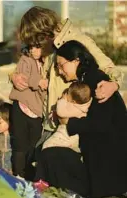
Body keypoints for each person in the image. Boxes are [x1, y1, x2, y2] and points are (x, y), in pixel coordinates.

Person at [10, 6, 123, 148]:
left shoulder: (78, 42)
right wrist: (13, 76)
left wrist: (114, 84)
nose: (35, 46)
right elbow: (25, 67)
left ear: (43, 32)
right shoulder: (48, 47)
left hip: (70, 125)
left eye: (36, 42)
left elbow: (110, 68)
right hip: (49, 124)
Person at [56, 40, 127, 198]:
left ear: (76, 61)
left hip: (108, 159)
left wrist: (68, 123)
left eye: (61, 65)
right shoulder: (87, 79)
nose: (59, 71)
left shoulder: (96, 81)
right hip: (104, 157)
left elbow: (101, 123)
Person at [35, 82, 92, 197]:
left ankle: (38, 185)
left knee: (45, 150)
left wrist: (62, 100)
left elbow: (60, 111)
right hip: (73, 143)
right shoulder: (85, 107)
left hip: (60, 141)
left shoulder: (71, 108)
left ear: (73, 101)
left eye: (67, 96)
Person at [9, 43, 48, 179]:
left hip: (37, 110)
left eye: (37, 47)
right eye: (31, 47)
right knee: (20, 144)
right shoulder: (26, 59)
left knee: (34, 145)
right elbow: (22, 77)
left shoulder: (48, 62)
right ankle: (18, 175)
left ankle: (31, 176)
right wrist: (39, 82)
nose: (33, 51)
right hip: (22, 105)